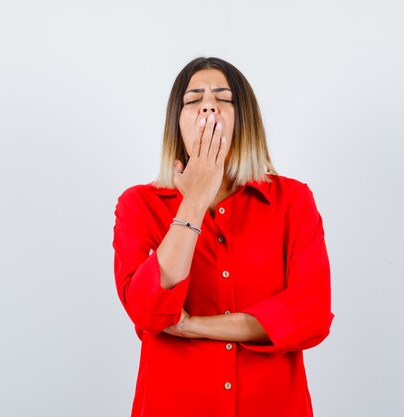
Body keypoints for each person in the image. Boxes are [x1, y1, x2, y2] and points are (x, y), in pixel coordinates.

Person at [112, 57, 334, 417]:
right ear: (176, 123)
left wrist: (192, 326)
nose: (208, 106)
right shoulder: (138, 205)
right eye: (194, 99)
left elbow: (310, 315)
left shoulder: (293, 201)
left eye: (223, 98)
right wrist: (194, 200)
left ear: (244, 120)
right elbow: (150, 313)